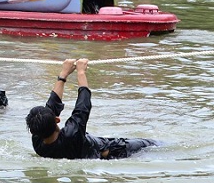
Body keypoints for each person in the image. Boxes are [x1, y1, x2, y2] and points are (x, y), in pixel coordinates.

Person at [25, 59, 159, 160]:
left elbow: (52, 105)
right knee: (156, 145)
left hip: (91, 151)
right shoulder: (71, 135)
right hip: (115, 151)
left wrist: (63, 74)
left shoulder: (38, 142)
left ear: (32, 130)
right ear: (57, 119)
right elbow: (83, 107)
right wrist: (81, 72)